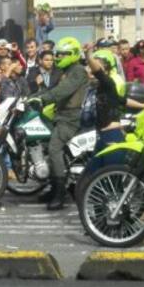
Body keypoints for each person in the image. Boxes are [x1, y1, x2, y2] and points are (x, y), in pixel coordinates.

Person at [29, 37, 89, 210]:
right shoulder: (66, 70)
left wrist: (43, 99)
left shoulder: (77, 71)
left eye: (64, 54)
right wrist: (34, 97)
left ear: (75, 55)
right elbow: (52, 89)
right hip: (61, 115)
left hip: (71, 118)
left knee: (55, 148)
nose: (59, 57)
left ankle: (60, 193)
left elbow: (62, 91)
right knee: (47, 146)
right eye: (59, 54)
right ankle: (53, 187)